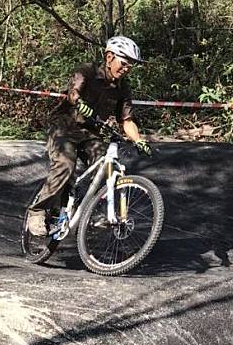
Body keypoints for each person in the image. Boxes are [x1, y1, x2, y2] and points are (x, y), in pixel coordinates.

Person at [27, 36, 152, 237]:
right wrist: (78, 101)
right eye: (124, 63)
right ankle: (37, 211)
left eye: (131, 66)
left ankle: (98, 213)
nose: (127, 69)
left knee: (108, 167)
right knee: (65, 165)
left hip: (91, 133)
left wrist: (138, 139)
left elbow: (127, 120)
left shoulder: (123, 88)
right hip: (64, 127)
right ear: (109, 57)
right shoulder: (88, 71)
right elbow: (73, 92)